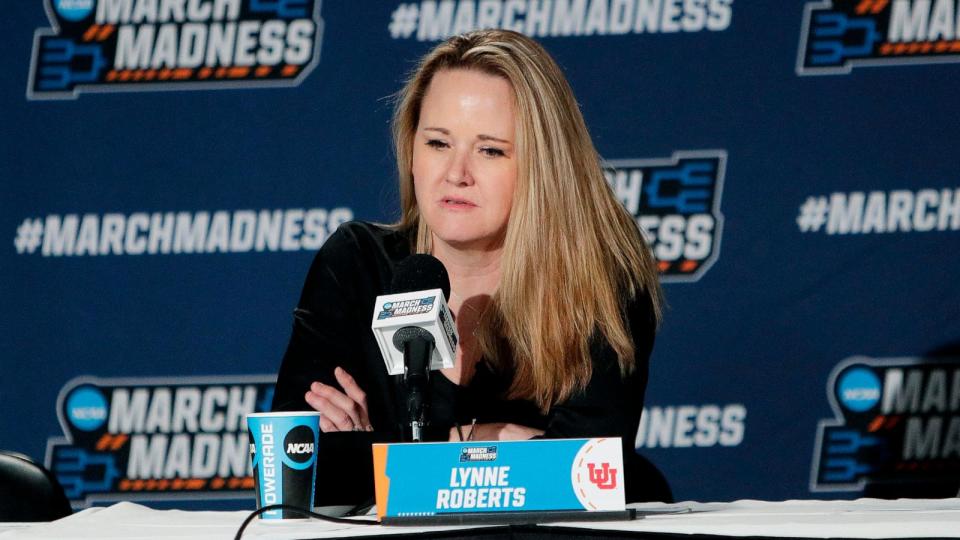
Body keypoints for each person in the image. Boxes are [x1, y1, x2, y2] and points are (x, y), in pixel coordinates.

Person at [271, 29, 667, 505]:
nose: (456, 173)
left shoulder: (597, 280)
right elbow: (299, 471)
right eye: (438, 143)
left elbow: (589, 477)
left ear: (543, 168)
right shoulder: (356, 264)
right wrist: (487, 438)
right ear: (411, 152)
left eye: (491, 150)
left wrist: (379, 449)